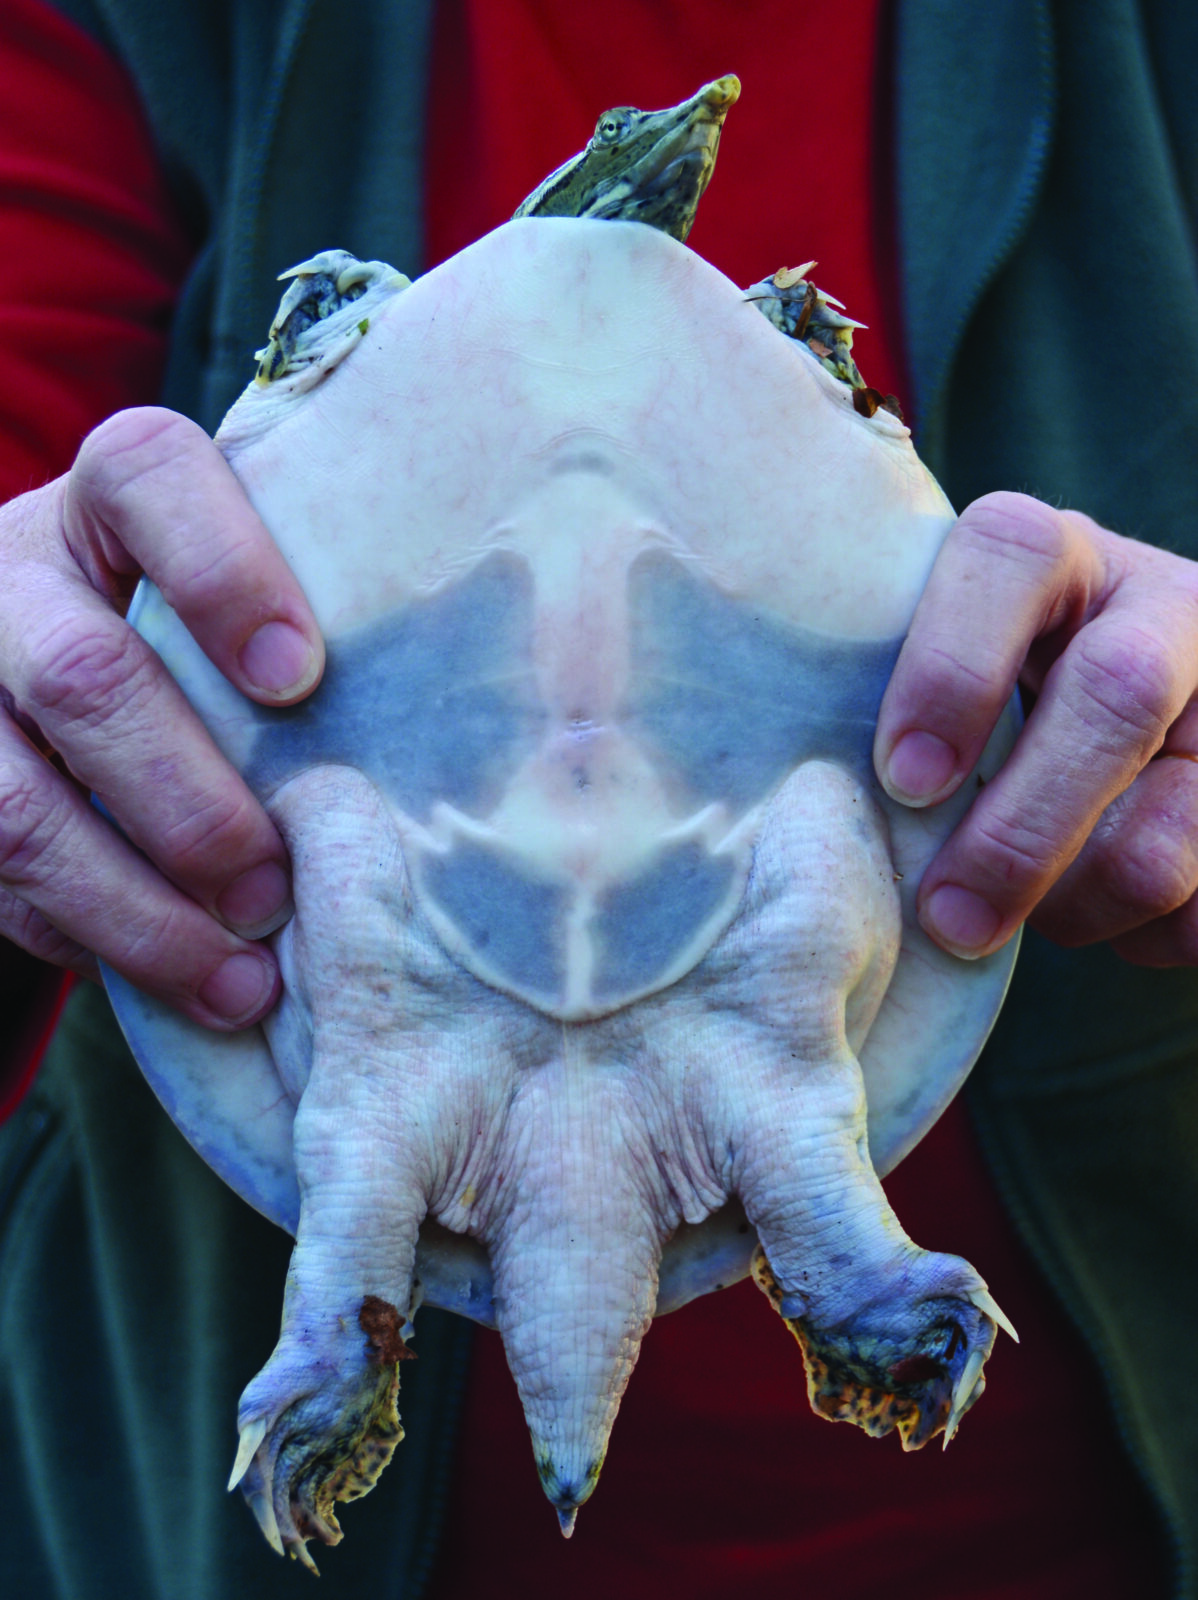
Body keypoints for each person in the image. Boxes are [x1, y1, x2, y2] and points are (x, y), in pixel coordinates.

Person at [0, 0, 1194, 1595]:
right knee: (622, 999)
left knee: (775, 966)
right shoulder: (113, 31)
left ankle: (782, 1281)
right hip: (387, 1017)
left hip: (1063, 1517)